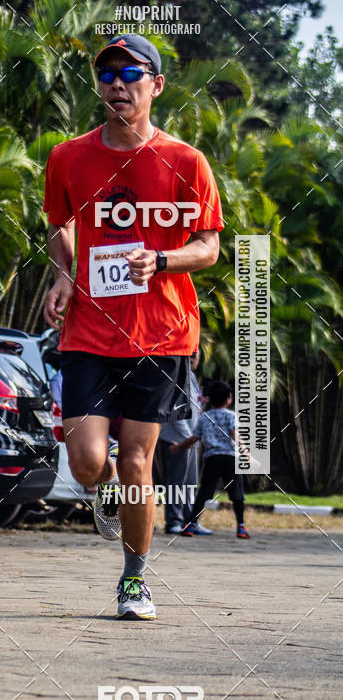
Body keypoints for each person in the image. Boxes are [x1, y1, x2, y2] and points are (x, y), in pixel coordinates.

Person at [43, 33, 223, 620]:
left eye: (131, 73)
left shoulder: (185, 161)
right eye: (106, 75)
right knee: (88, 463)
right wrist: (64, 275)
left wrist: (163, 260)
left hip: (162, 331)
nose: (117, 83)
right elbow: (58, 226)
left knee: (141, 462)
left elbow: (208, 246)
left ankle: (134, 580)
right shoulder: (68, 156)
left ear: (156, 85)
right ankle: (108, 489)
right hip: (89, 330)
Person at [170, 380, 250, 539]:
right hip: (231, 459)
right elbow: (235, 434)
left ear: (210, 399)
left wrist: (178, 447)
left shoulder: (204, 417)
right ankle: (241, 527)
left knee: (204, 492)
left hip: (212, 458)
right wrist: (245, 452)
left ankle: (191, 524)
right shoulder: (231, 415)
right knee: (237, 493)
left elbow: (194, 438)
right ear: (229, 398)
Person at [158, 351, 207, 534]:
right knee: (176, 483)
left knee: (191, 482)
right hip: (178, 438)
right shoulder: (176, 376)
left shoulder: (191, 376)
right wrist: (187, 437)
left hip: (191, 438)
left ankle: (190, 520)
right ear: (191, 358)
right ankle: (174, 521)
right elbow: (174, 409)